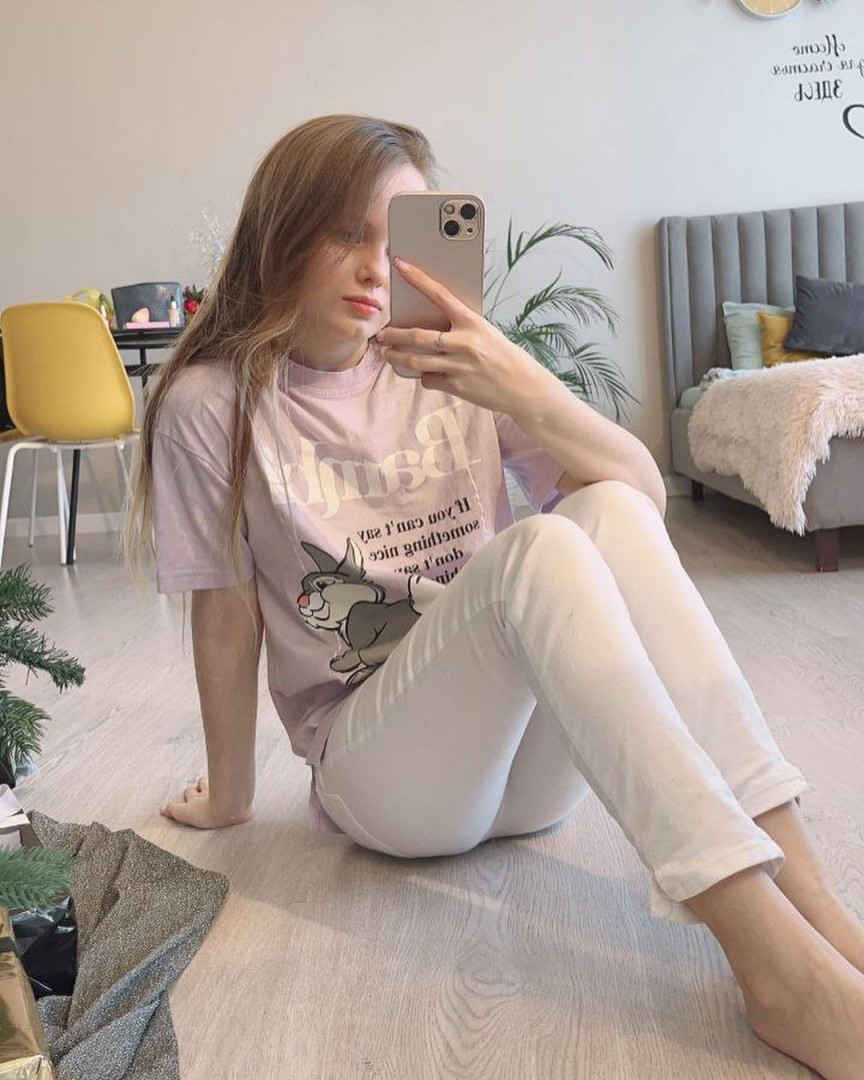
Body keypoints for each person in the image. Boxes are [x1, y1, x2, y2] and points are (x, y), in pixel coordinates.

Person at [125, 114, 864, 1079]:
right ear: (282, 230)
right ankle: (779, 972)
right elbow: (225, 614)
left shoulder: (454, 362)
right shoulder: (211, 404)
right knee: (538, 550)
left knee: (602, 507)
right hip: (387, 780)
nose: (376, 268)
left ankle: (821, 916)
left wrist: (522, 385)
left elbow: (640, 505)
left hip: (532, 774)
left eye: (400, 237)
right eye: (346, 231)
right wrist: (231, 796)